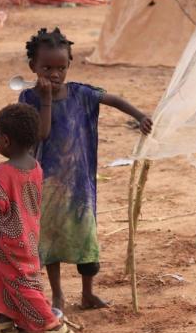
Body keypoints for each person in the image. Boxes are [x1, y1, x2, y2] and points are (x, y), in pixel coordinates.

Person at [19, 28, 153, 311]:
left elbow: (112, 99)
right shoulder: (29, 99)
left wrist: (140, 115)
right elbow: (41, 134)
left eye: (61, 67)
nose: (54, 74)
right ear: (33, 67)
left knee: (86, 240)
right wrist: (45, 99)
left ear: (69, 64)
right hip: (47, 184)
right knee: (51, 239)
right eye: (47, 68)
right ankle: (57, 294)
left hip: (80, 184)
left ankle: (87, 293)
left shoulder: (80, 93)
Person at [0, 103, 76, 333]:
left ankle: (54, 327)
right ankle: (4, 322)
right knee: (4, 278)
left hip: (10, 240)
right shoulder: (35, 166)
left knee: (21, 284)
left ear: (6, 140)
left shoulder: (3, 172)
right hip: (27, 236)